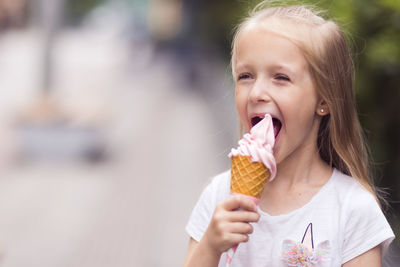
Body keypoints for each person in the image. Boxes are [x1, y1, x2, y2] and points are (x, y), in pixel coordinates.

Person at [183, 2, 395, 267]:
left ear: (324, 100)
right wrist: (210, 247)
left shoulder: (352, 210)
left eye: (281, 77)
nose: (257, 92)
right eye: (246, 75)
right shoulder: (219, 196)